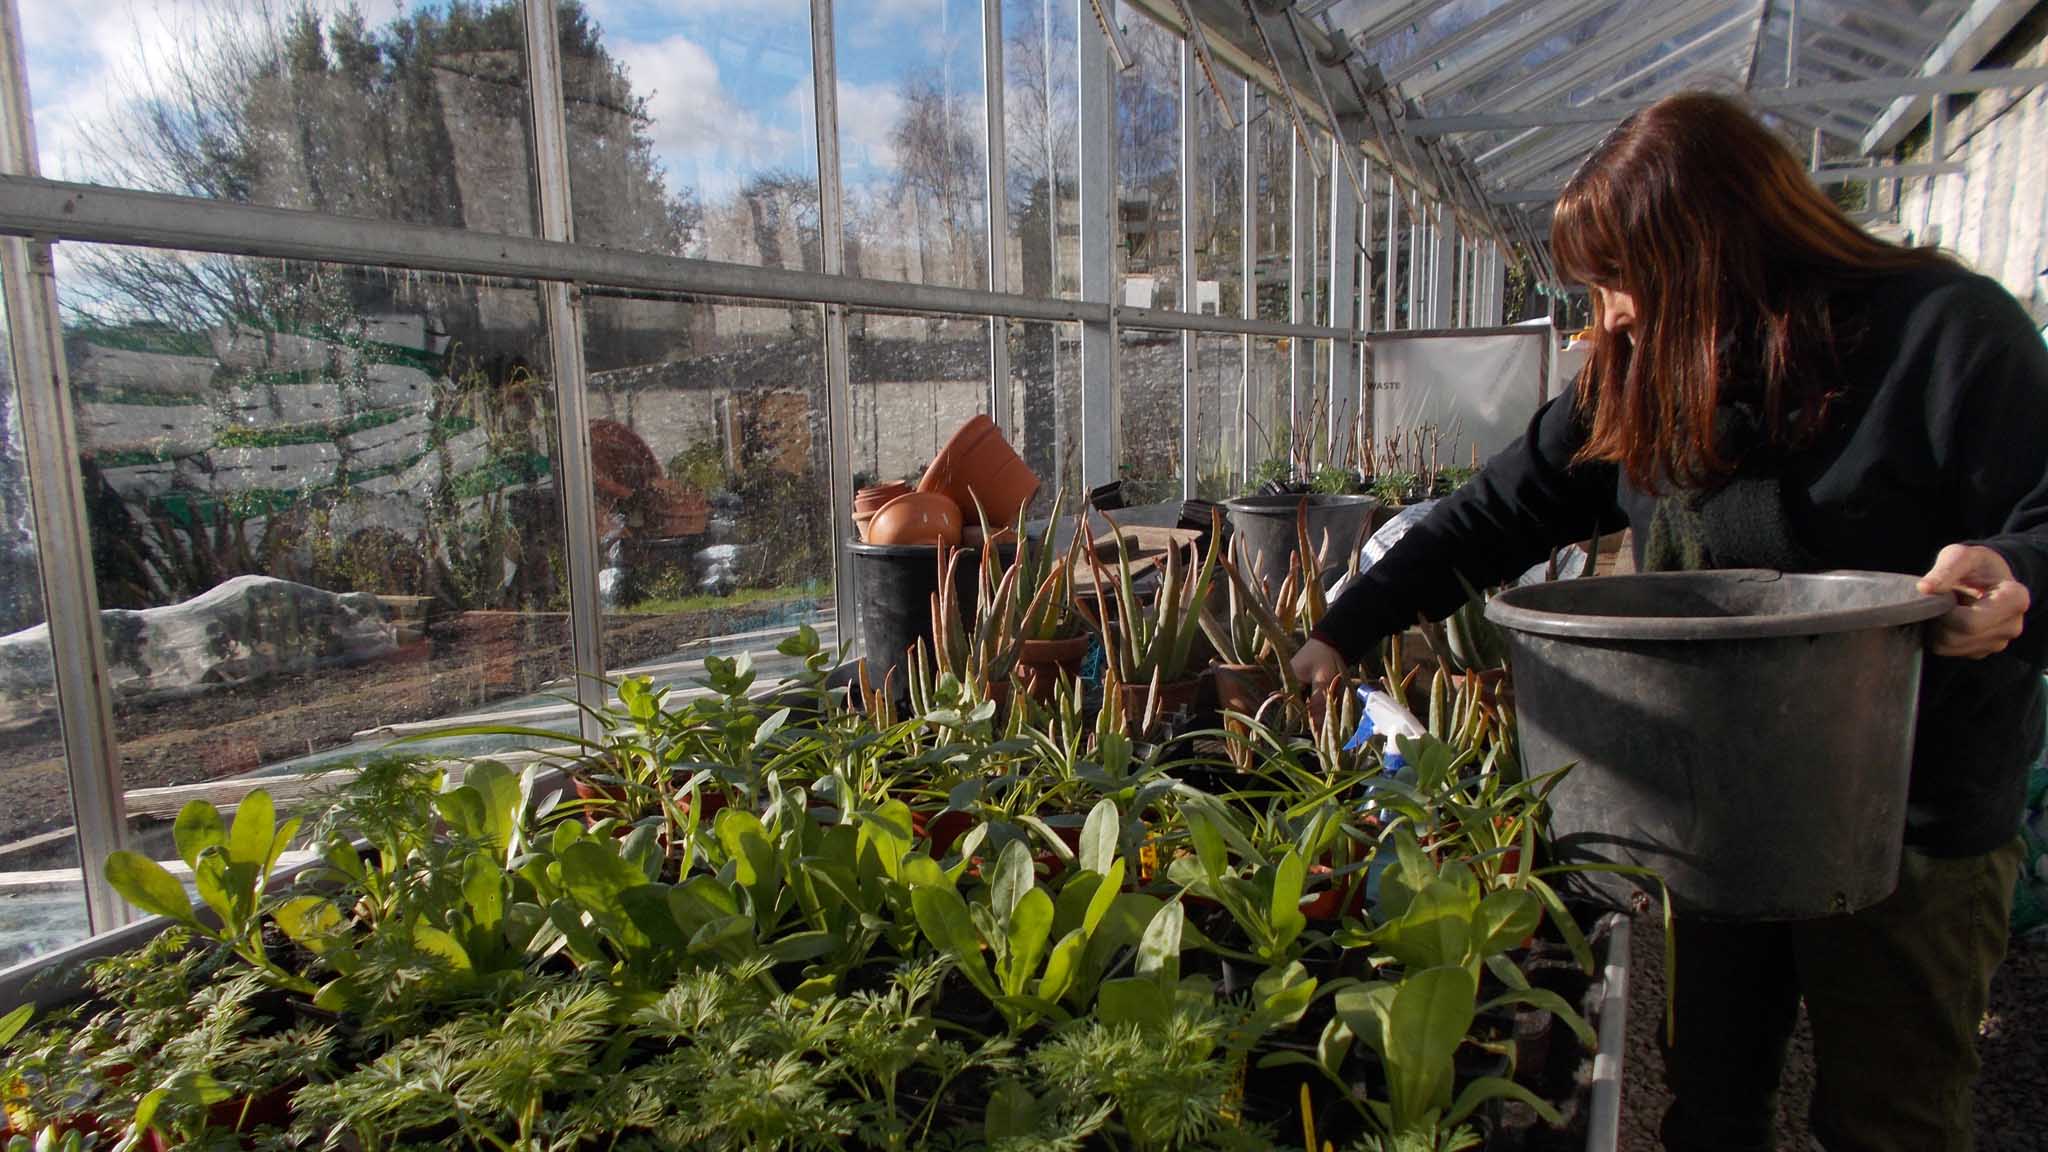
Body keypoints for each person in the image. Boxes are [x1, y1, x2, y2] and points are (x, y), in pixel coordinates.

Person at [1293, 92, 2046, 1152]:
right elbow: (1496, 512)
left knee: (1889, 1114)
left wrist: (2009, 578)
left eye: (1619, 280)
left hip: (1903, 819)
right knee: (1710, 1089)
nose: (1606, 314)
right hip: (1713, 810)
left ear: (1713, 254)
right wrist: (1340, 628)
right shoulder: (1651, 369)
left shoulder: (1941, 334)